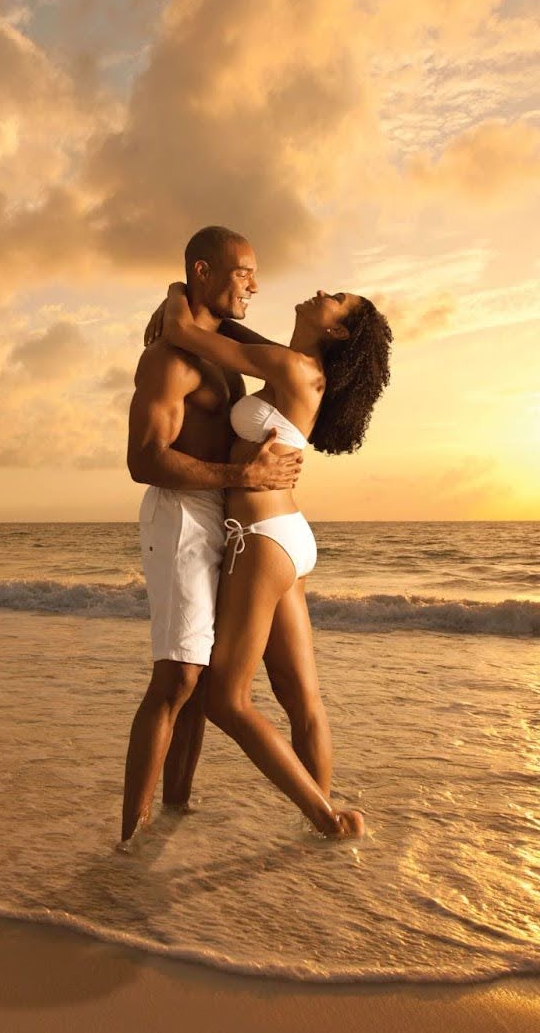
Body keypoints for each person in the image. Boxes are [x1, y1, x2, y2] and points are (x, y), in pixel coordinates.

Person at [155, 279, 392, 839]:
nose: (321, 291)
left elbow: (181, 331)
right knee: (301, 701)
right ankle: (322, 833)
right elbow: (232, 334)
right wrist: (214, 311)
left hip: (261, 538)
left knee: (226, 700)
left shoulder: (288, 368)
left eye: (336, 299)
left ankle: (326, 817)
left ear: (336, 330)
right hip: (284, 534)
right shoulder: (296, 366)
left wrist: (177, 288)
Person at [119, 227, 305, 848]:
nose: (256, 284)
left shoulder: (215, 349)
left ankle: (172, 811)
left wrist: (177, 300)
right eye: (244, 272)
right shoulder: (169, 361)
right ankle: (130, 839)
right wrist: (241, 474)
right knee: (176, 677)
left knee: (198, 684)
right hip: (179, 515)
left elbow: (283, 358)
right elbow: (144, 459)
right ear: (205, 270)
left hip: (221, 515)